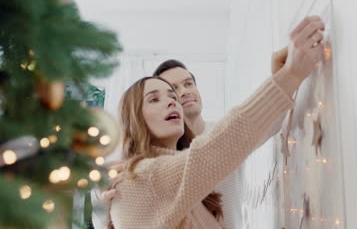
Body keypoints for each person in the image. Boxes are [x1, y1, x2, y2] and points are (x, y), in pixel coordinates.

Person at [107, 16, 325, 228]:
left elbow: (250, 131)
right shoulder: (146, 175)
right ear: (135, 119)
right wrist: (289, 75)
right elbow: (223, 142)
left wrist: (282, 78)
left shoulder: (179, 164)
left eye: (179, 90)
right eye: (154, 99)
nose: (175, 99)